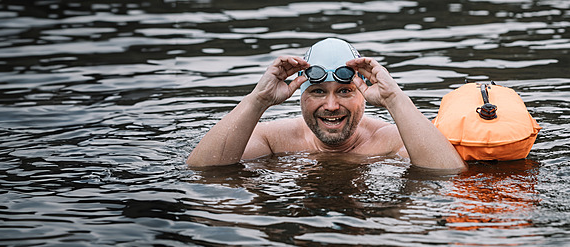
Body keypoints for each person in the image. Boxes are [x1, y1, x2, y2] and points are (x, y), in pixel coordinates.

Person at [187, 38, 466, 171]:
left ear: (363, 94)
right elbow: (203, 169)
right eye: (318, 91)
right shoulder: (273, 138)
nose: (331, 105)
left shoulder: (391, 141)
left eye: (345, 91)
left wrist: (394, 98)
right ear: (300, 95)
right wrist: (258, 99)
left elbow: (447, 174)